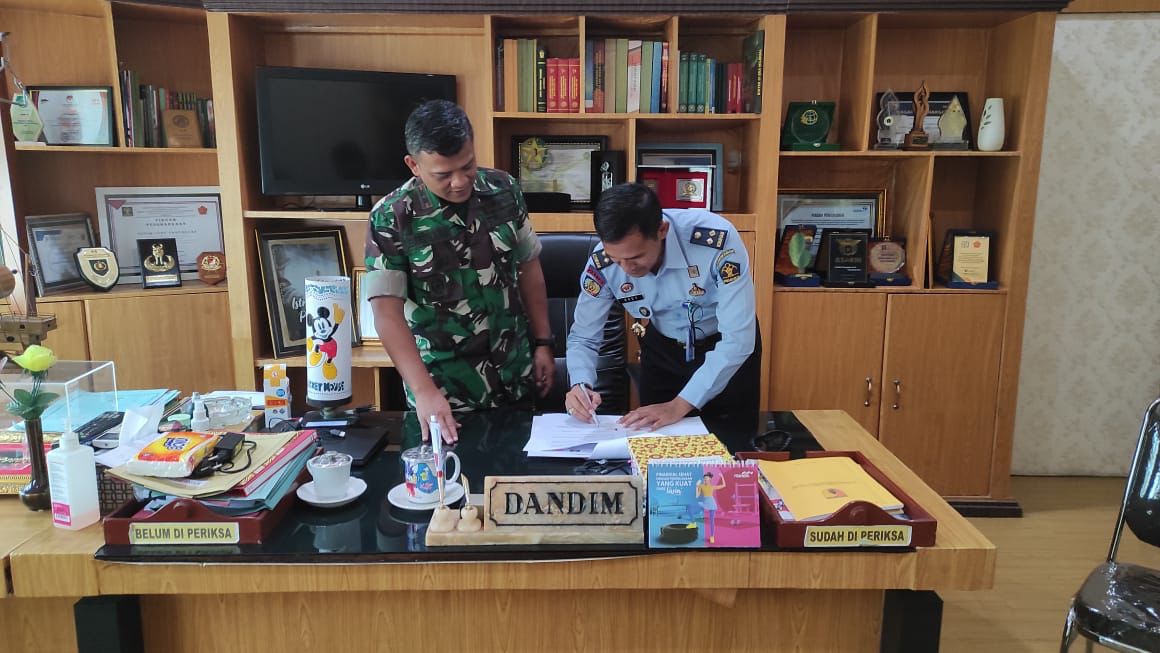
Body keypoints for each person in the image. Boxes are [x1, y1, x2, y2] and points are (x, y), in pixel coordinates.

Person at [364, 100, 554, 443]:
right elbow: (386, 314)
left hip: (515, 374)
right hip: (444, 391)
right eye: (443, 174)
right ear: (414, 165)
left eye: (467, 166)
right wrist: (423, 390)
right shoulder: (391, 217)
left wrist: (543, 342)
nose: (460, 181)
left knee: (518, 473)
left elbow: (529, 267)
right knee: (449, 476)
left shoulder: (504, 190)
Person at [565, 183, 759, 430]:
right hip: (663, 350)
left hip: (724, 349)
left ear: (662, 230)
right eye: (616, 259)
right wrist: (580, 384)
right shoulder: (602, 262)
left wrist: (678, 405)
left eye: (635, 258)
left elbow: (738, 339)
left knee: (732, 442)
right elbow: (584, 336)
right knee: (658, 442)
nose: (626, 268)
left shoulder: (716, 242)